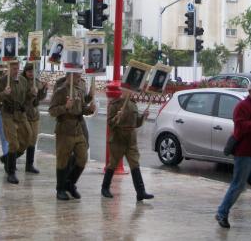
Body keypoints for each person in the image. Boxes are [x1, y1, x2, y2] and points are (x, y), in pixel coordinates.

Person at [215, 80, 251, 232]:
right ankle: (222, 212)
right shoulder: (241, 107)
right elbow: (240, 129)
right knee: (238, 185)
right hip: (245, 154)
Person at [49, 72, 96, 200]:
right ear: (69, 76)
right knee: (63, 160)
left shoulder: (79, 90)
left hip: (78, 128)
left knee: (82, 157)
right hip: (64, 129)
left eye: (79, 76)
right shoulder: (61, 91)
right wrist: (65, 107)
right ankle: (60, 189)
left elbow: (81, 109)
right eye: (76, 76)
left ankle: (70, 183)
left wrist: (90, 109)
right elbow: (52, 111)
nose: (79, 78)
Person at [101, 93, 153, 201]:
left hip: (131, 140)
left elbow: (136, 123)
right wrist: (117, 117)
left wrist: (143, 117)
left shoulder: (133, 104)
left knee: (135, 164)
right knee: (113, 164)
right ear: (122, 90)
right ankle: (105, 188)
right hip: (118, 139)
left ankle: (141, 192)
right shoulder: (114, 104)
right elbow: (110, 123)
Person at [0, 61, 34, 184]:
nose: (16, 71)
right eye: (13, 68)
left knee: (28, 137)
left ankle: (8, 158)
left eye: (17, 68)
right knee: (13, 143)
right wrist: (4, 93)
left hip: (21, 113)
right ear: (8, 68)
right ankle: (11, 172)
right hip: (8, 113)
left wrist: (32, 94)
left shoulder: (23, 80)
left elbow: (27, 98)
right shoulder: (3, 81)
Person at [21, 63, 48, 174]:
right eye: (29, 71)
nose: (31, 73)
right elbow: (20, 98)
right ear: (25, 71)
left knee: (33, 140)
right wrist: (30, 94)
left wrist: (44, 90)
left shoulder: (37, 81)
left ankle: (29, 165)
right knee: (24, 140)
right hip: (24, 114)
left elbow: (40, 97)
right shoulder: (21, 82)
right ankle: (9, 159)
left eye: (33, 71)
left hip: (35, 114)